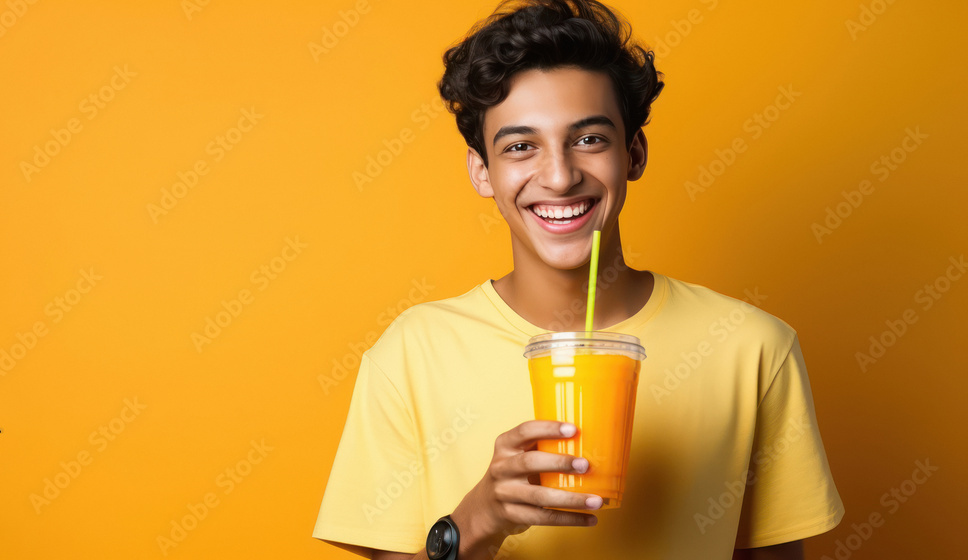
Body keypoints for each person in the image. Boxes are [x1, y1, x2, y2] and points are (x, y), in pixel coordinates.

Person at [313, 1, 844, 558]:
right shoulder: (412, 353)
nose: (561, 176)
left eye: (589, 139)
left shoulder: (754, 348)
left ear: (632, 153)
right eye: (520, 147)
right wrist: (478, 520)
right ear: (481, 171)